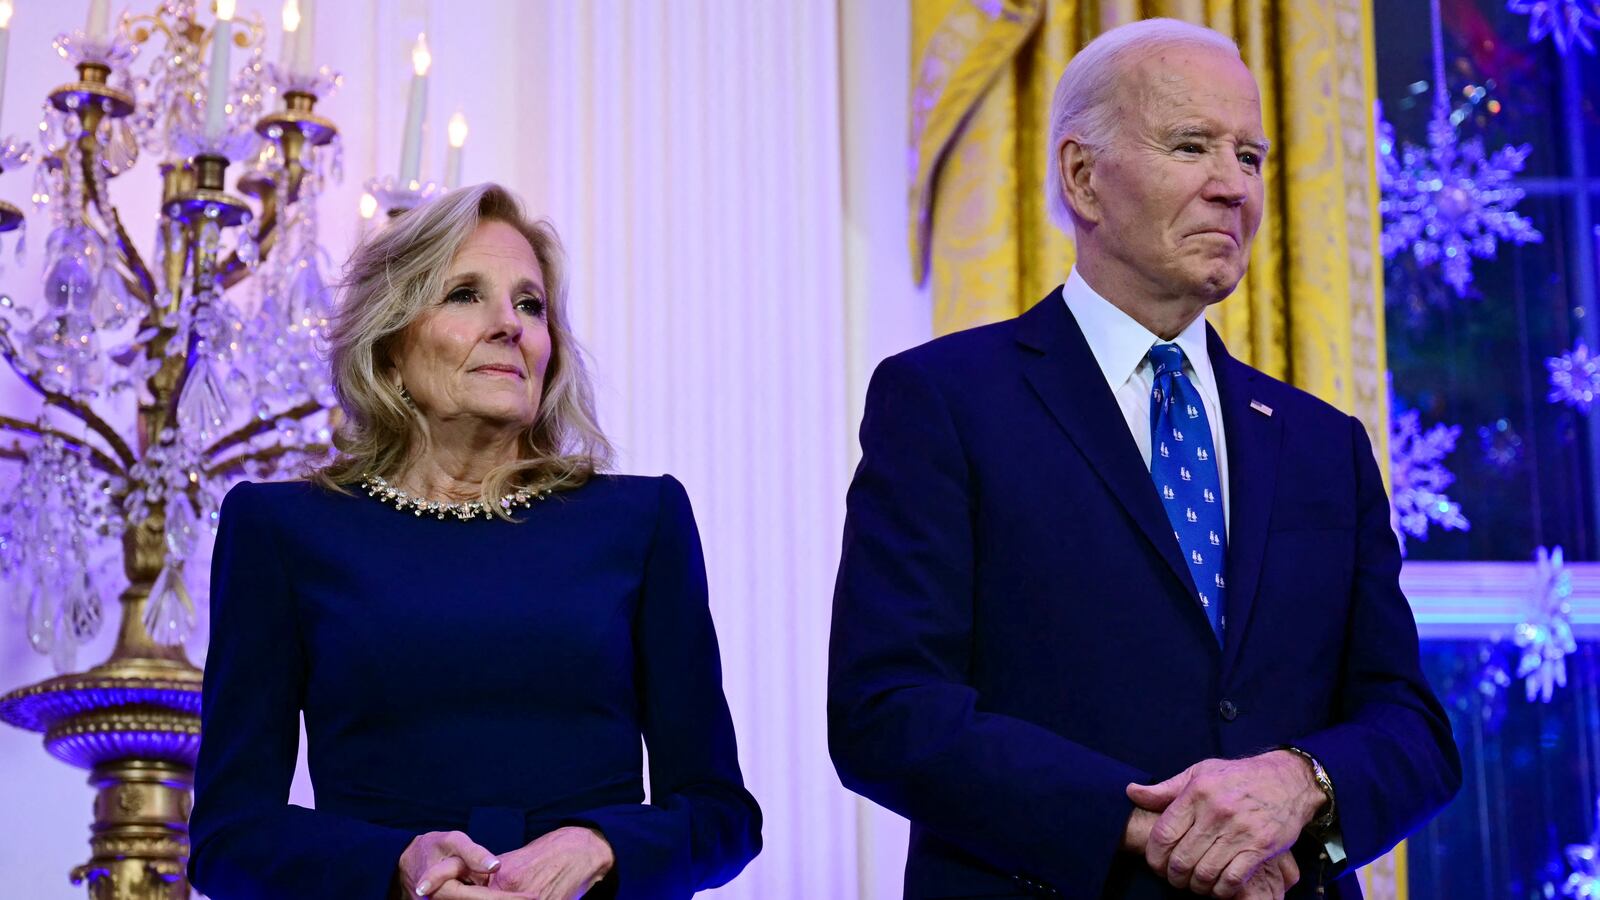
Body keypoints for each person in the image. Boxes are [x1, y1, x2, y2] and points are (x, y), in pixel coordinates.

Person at [828, 18, 1459, 900]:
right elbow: (887, 711)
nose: (1232, 187)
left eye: (1251, 157)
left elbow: (1412, 729)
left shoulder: (1324, 443)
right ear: (1083, 176)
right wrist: (1158, 829)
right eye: (1192, 145)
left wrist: (1300, 784)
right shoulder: (944, 400)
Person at [189, 184, 761, 899]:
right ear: (391, 346)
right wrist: (398, 865)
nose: (509, 325)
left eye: (531, 305)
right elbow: (227, 837)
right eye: (465, 295)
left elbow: (722, 816)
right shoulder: (282, 529)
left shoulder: (643, 520)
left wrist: (600, 844)